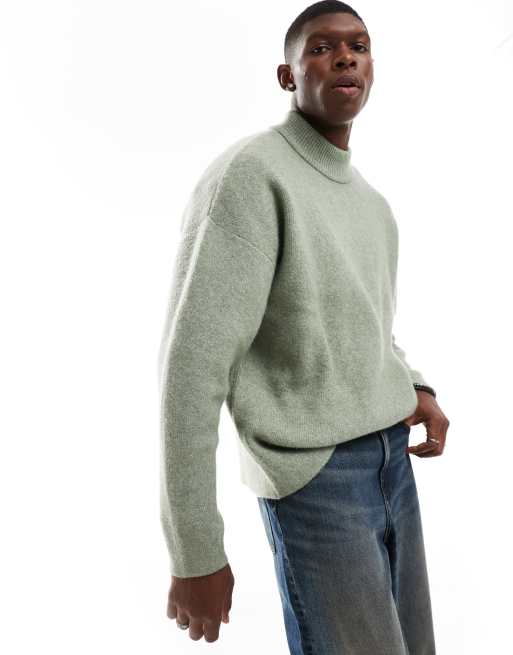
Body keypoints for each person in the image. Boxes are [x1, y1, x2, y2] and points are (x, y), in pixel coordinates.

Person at [157, 1, 450, 651]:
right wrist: (194, 549)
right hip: (316, 478)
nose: (345, 57)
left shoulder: (372, 205)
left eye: (358, 46)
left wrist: (415, 386)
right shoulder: (251, 176)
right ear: (287, 76)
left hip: (392, 462)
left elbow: (364, 323)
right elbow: (191, 367)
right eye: (321, 48)